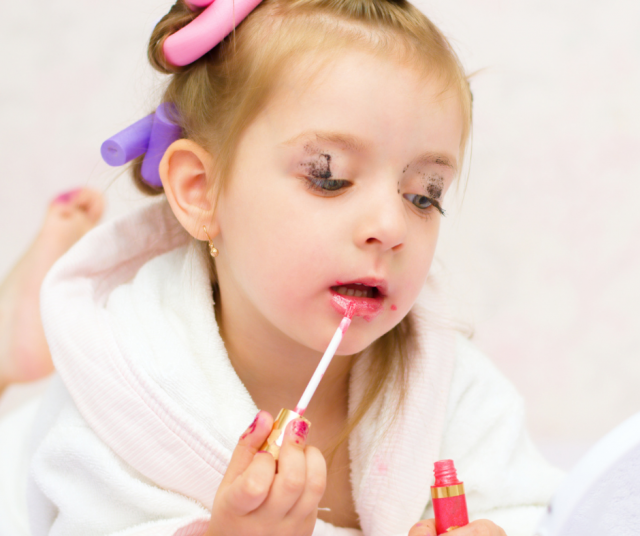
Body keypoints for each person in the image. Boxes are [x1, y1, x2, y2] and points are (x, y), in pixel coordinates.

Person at [0, 1, 565, 535]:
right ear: (201, 191)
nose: (391, 226)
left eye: (424, 195)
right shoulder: (123, 382)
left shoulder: (444, 381)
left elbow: (534, 510)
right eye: (329, 178)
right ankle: (13, 341)